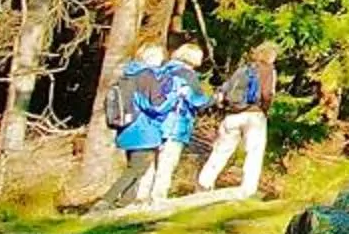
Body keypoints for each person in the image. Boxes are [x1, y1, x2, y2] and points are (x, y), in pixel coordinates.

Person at [96, 42, 170, 212]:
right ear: (151, 57)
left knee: (136, 168)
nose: (162, 60)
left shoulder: (127, 75)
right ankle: (106, 200)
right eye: (159, 56)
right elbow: (157, 104)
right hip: (143, 130)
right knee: (136, 169)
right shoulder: (148, 76)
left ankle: (125, 204)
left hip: (126, 128)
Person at [198, 42, 277, 196]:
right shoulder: (269, 71)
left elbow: (226, 89)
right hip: (255, 115)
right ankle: (248, 188)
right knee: (254, 152)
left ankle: (204, 182)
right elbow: (268, 94)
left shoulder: (243, 69)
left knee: (221, 150)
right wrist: (265, 110)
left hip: (232, 115)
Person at [151, 40, 213, 203]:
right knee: (167, 161)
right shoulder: (188, 75)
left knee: (151, 161)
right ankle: (158, 196)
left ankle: (142, 196)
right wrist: (214, 99)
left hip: (153, 121)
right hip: (176, 123)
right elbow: (198, 100)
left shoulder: (161, 70)